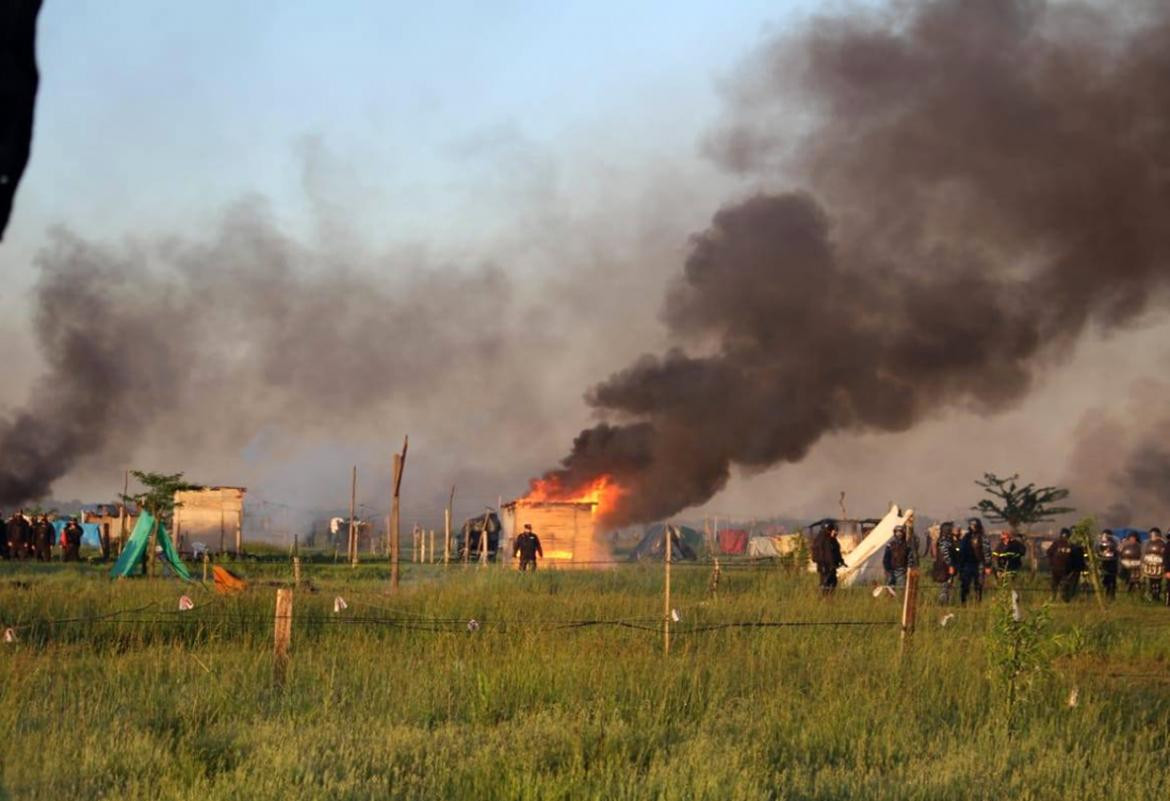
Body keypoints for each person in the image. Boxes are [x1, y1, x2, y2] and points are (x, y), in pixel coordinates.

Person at [956, 518, 988, 604]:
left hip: (979, 564)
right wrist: (960, 566)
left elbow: (986, 551)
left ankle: (978, 602)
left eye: (973, 525)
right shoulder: (966, 537)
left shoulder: (982, 537)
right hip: (967, 564)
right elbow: (962, 551)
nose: (972, 527)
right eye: (971, 525)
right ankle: (963, 602)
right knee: (965, 584)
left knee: (978, 585)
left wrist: (988, 565)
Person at [811, 520, 846, 595]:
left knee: (833, 583)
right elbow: (826, 554)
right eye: (833, 530)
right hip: (825, 567)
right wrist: (828, 564)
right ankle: (824, 600)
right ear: (829, 529)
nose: (835, 532)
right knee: (825, 585)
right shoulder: (823, 540)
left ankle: (830, 599)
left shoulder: (832, 540)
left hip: (831, 566)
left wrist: (840, 560)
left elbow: (836, 551)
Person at [931, 522, 958, 604]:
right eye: (952, 528)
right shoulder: (944, 541)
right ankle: (942, 603)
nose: (954, 529)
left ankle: (944, 602)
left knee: (947, 585)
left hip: (944, 566)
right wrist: (950, 565)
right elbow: (945, 554)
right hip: (944, 567)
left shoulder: (948, 539)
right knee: (945, 585)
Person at [1141, 527, 1165, 601]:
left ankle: (1157, 596)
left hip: (1159, 567)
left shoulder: (1163, 543)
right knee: (1151, 582)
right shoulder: (1147, 543)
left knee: (1158, 582)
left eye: (1155, 535)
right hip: (1149, 566)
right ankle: (1152, 595)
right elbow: (1143, 554)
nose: (1154, 536)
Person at [1096, 529, 1120, 600]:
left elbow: (1117, 551)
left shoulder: (1114, 543)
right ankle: (1106, 594)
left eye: (1107, 535)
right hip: (1103, 563)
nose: (1105, 537)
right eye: (1104, 535)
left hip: (1112, 563)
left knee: (1112, 580)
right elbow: (1097, 550)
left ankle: (1112, 595)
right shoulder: (1099, 543)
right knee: (1105, 580)